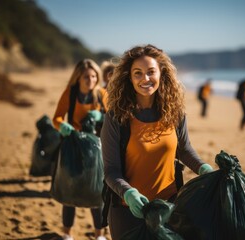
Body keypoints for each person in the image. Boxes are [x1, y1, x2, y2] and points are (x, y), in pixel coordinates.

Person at [100, 44, 213, 240]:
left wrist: (204, 169)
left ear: (161, 73)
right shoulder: (117, 117)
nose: (145, 79)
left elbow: (184, 150)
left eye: (151, 72)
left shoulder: (175, 113)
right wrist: (128, 193)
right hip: (128, 210)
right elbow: (110, 170)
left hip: (169, 208)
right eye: (138, 73)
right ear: (129, 77)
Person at [52, 59, 107, 240]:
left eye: (94, 76)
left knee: (96, 191)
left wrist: (101, 116)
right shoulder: (70, 93)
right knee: (71, 188)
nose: (90, 80)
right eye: (86, 77)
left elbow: (114, 119)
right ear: (78, 77)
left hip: (95, 149)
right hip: (73, 147)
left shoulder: (101, 94)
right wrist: (63, 127)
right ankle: (67, 234)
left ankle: (99, 235)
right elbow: (57, 118)